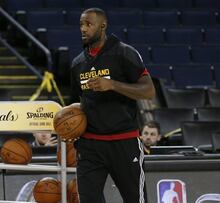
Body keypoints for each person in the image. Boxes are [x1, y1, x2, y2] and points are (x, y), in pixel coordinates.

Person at [69, 8, 155, 203]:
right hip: (90, 144)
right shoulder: (77, 63)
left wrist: (113, 84)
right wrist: (68, 125)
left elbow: (148, 91)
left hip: (123, 142)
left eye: (88, 24)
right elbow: (78, 102)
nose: (83, 29)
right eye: (81, 25)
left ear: (103, 25)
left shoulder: (124, 53)